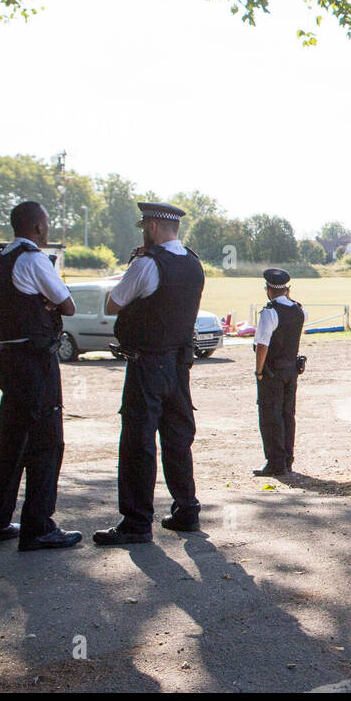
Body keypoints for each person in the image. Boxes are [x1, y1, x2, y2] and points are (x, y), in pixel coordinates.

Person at [92, 202, 205, 546]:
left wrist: (132, 265)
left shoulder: (146, 264)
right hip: (179, 363)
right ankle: (186, 509)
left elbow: (113, 303)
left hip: (148, 361)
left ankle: (136, 522)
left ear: (153, 227)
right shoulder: (193, 263)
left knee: (139, 441)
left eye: (144, 227)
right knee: (177, 438)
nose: (143, 232)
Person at [0, 201, 83, 551]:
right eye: (48, 224)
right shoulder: (34, 258)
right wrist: (53, 301)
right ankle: (38, 526)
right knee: (46, 441)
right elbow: (67, 305)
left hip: (7, 359)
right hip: (35, 360)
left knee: (10, 441)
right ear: (39, 227)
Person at [252, 268, 307, 476]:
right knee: (287, 414)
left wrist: (258, 371)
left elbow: (262, 345)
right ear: (287, 289)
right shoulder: (299, 310)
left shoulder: (269, 312)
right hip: (291, 369)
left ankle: (275, 463)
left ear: (268, 290)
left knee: (270, 416)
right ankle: (287, 459)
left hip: (272, 371)